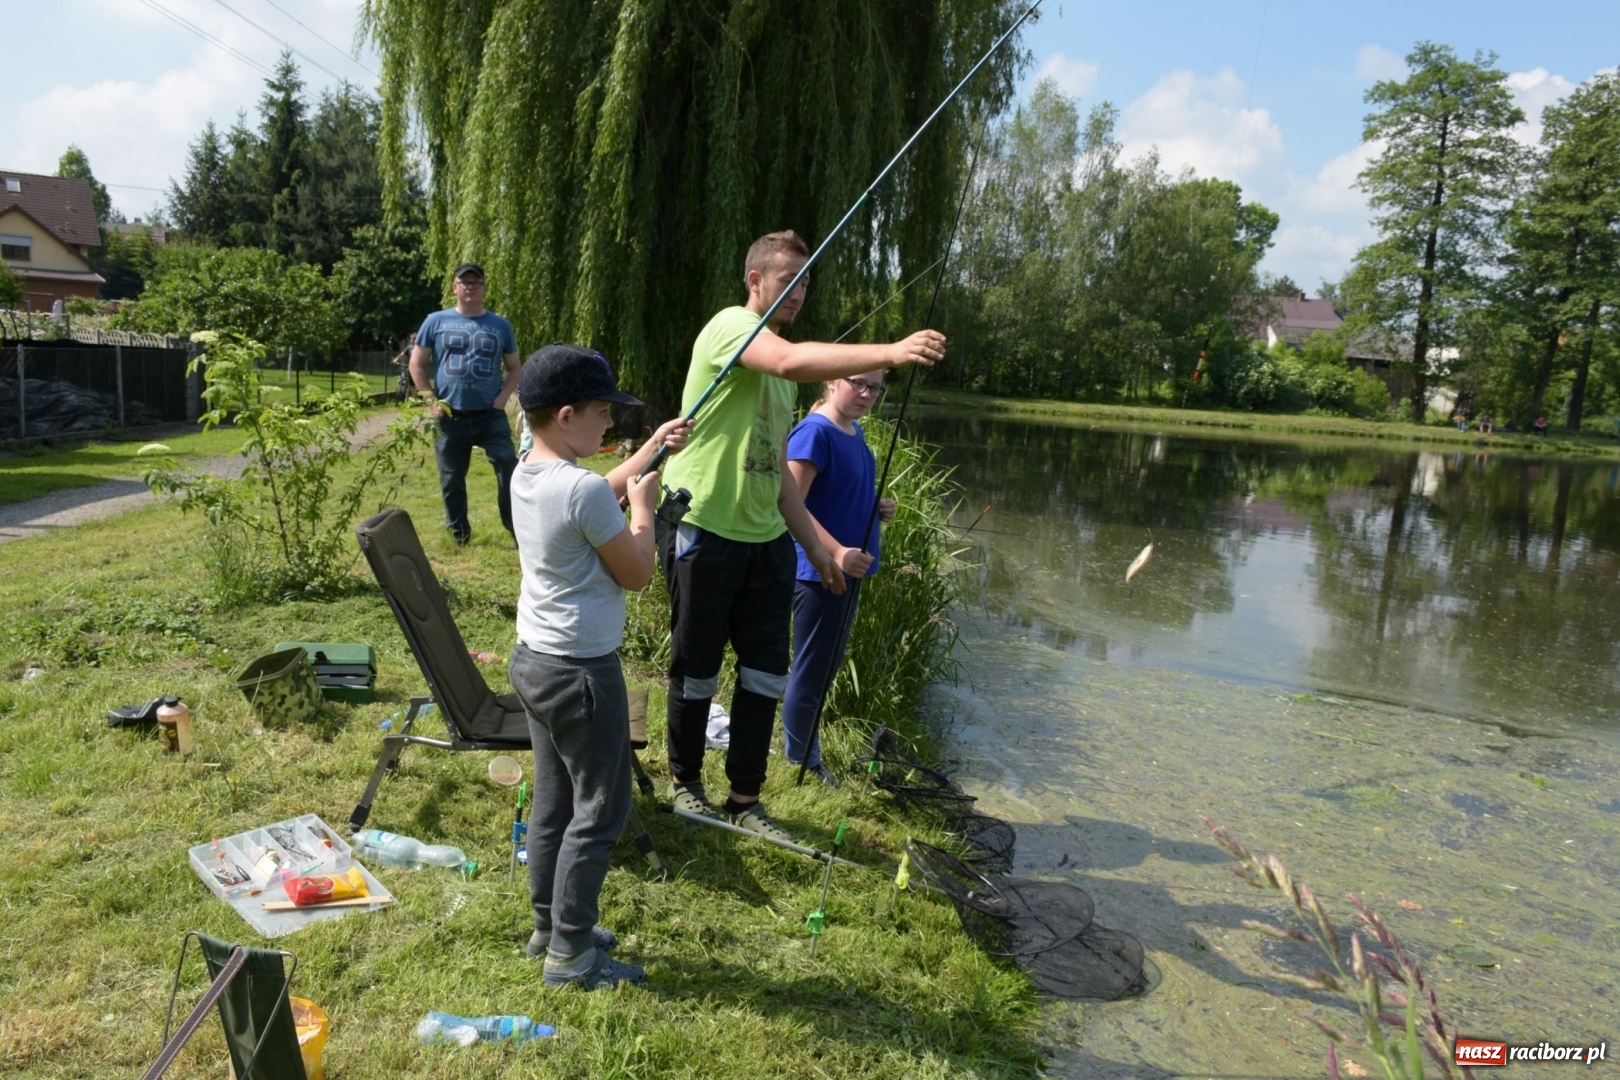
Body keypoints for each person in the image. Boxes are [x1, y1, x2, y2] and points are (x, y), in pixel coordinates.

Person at [660, 229, 944, 843]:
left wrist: (818, 550)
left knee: (765, 672)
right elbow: (790, 359)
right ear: (755, 280)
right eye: (787, 278)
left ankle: (745, 798)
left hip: (766, 540)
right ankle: (685, 783)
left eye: (806, 281)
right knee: (697, 668)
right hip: (705, 526)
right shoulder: (731, 327)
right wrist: (893, 351)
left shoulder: (780, 377)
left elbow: (777, 474)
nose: (798, 291)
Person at [507, 343, 693, 990]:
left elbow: (593, 492)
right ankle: (572, 956)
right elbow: (638, 573)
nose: (611, 422)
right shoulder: (581, 490)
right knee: (602, 810)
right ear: (566, 415)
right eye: (602, 412)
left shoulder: (528, 472)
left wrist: (654, 450)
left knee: (555, 802)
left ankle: (549, 927)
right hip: (583, 673)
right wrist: (644, 509)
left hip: (535, 662)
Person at [780, 370, 895, 787]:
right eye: (857, 383)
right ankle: (802, 760)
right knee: (813, 670)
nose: (867, 393)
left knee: (824, 666)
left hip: (847, 571)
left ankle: (804, 751)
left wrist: (876, 505)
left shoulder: (852, 430)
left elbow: (838, 492)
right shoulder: (816, 432)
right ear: (831, 380)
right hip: (820, 573)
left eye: (875, 387)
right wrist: (836, 552)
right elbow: (790, 501)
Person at [410, 262, 521, 545]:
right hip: (450, 416)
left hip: (490, 415)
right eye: (465, 282)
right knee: (451, 478)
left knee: (508, 466)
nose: (470, 287)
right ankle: (459, 534)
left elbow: (514, 368)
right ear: (454, 287)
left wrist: (502, 399)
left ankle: (517, 529)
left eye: (476, 282)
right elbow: (416, 364)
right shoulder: (435, 321)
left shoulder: (500, 325)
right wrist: (431, 401)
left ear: (484, 288)